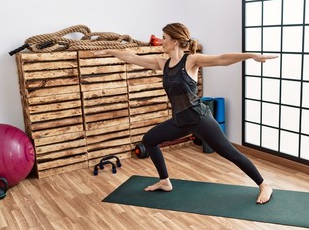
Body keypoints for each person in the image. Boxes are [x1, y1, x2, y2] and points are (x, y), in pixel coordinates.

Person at [95, 23, 278, 204]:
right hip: (180, 121)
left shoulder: (191, 61)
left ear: (175, 41)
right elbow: (133, 58)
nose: (161, 42)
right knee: (149, 139)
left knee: (231, 154)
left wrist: (251, 56)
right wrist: (111, 52)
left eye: (164, 38)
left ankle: (263, 185)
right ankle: (165, 181)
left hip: (200, 119)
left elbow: (222, 58)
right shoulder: (163, 63)